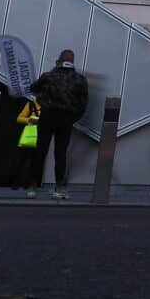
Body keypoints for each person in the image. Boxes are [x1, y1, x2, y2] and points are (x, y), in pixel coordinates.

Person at [26, 50, 89, 200]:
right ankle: (59, 187)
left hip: (47, 117)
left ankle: (33, 187)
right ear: (73, 62)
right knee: (60, 154)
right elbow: (83, 104)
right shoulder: (80, 79)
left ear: (58, 60)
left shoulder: (48, 76)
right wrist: (73, 118)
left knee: (40, 151)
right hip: (66, 119)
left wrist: (43, 98)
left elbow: (33, 88)